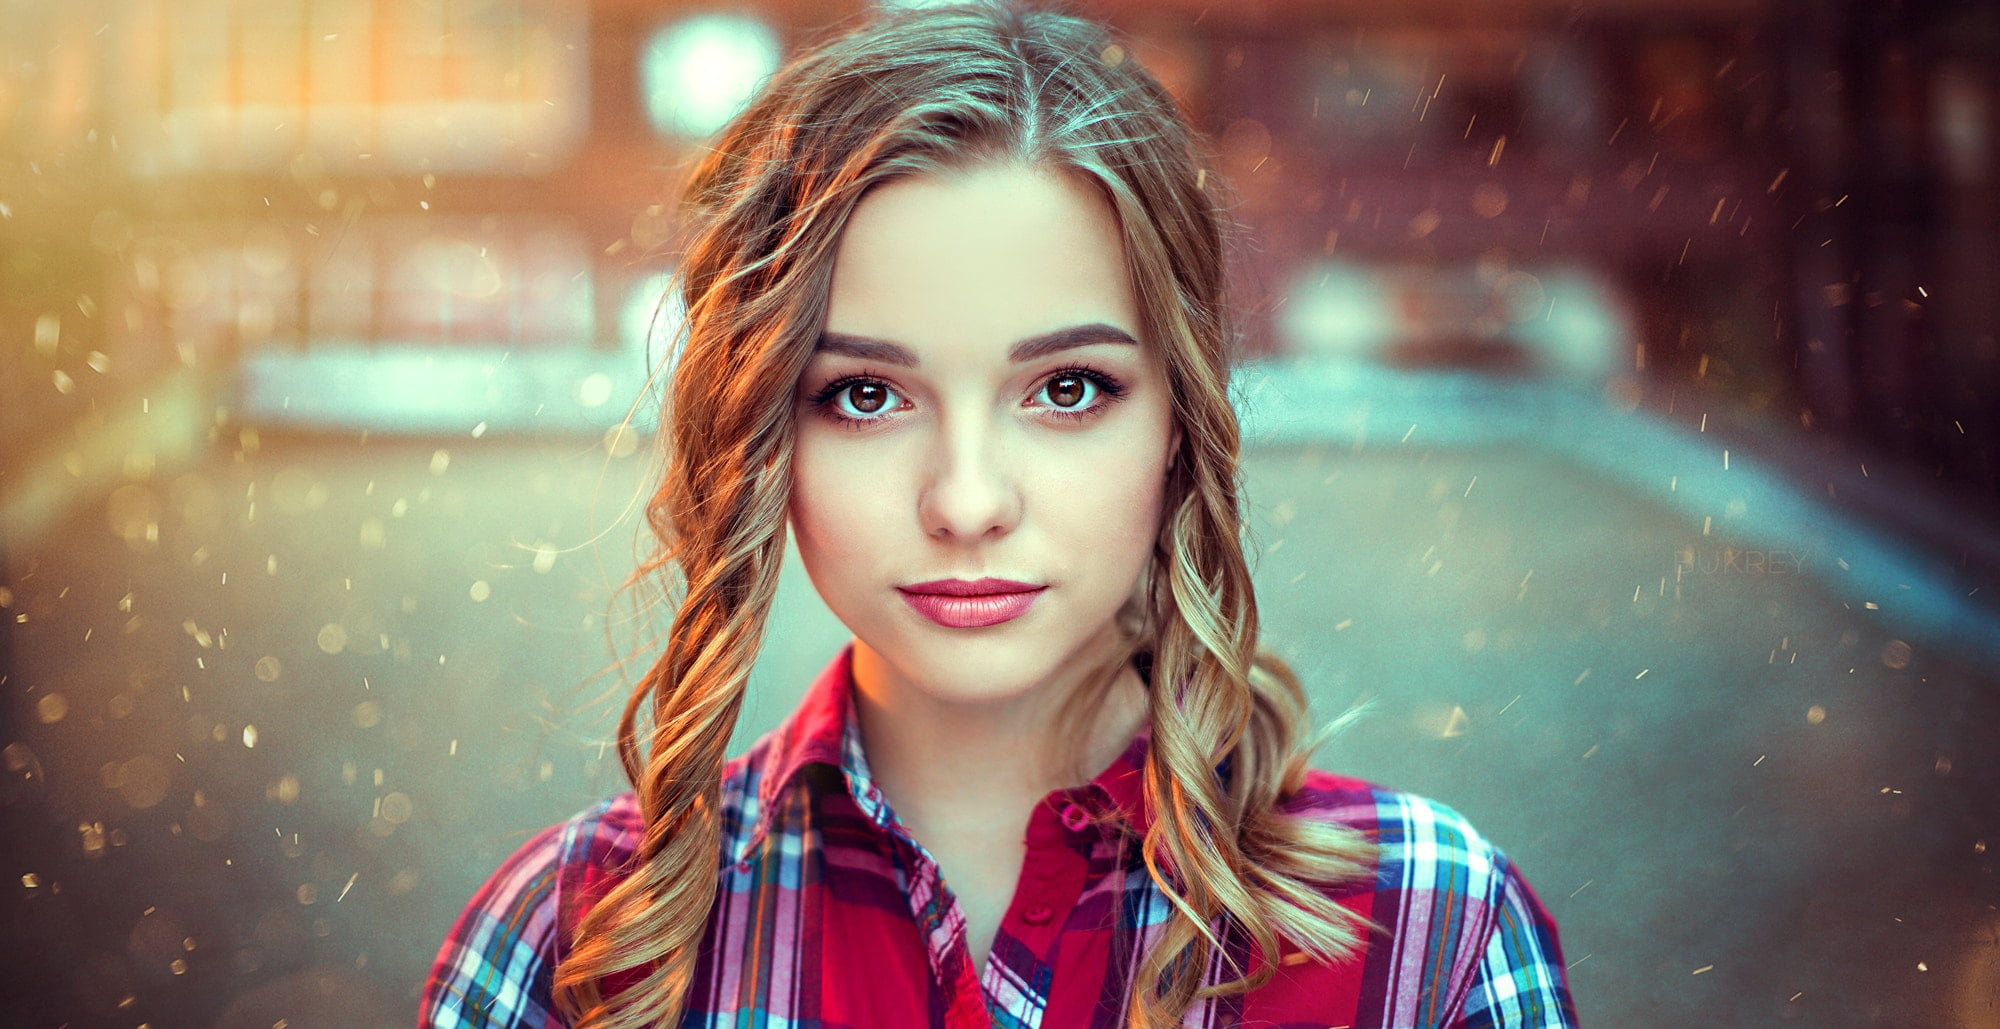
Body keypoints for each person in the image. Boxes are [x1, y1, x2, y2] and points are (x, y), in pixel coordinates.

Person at [420, 3, 1577, 1027]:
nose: (967, 501)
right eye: (864, 395)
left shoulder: (1428, 941)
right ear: (764, 428)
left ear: (1180, 422)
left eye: (1065, 390)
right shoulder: (564, 949)